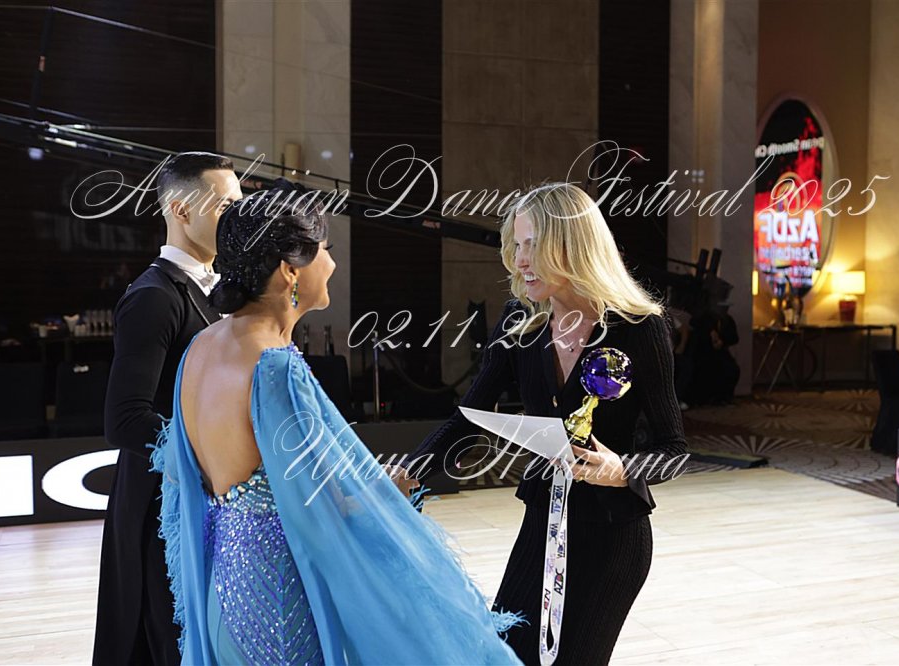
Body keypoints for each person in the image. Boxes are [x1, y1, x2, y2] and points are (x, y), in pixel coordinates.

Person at [150, 181, 524, 665]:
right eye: (325, 250)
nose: (332, 264)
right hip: (279, 598)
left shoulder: (201, 348)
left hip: (224, 586)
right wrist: (384, 493)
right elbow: (319, 505)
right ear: (290, 270)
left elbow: (190, 479)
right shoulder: (273, 366)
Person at [401, 182, 688, 666]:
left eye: (532, 245)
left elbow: (674, 450)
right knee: (503, 655)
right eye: (516, 245)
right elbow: (469, 418)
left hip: (612, 538)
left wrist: (621, 469)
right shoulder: (520, 323)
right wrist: (410, 472)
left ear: (572, 245)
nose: (519, 260)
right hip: (543, 526)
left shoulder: (639, 327)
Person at [93, 152, 242, 665]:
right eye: (225, 207)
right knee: (164, 637)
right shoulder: (154, 297)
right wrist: (215, 454)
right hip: (161, 502)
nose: (236, 219)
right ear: (180, 210)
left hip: (204, 494)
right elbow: (125, 419)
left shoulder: (218, 291)